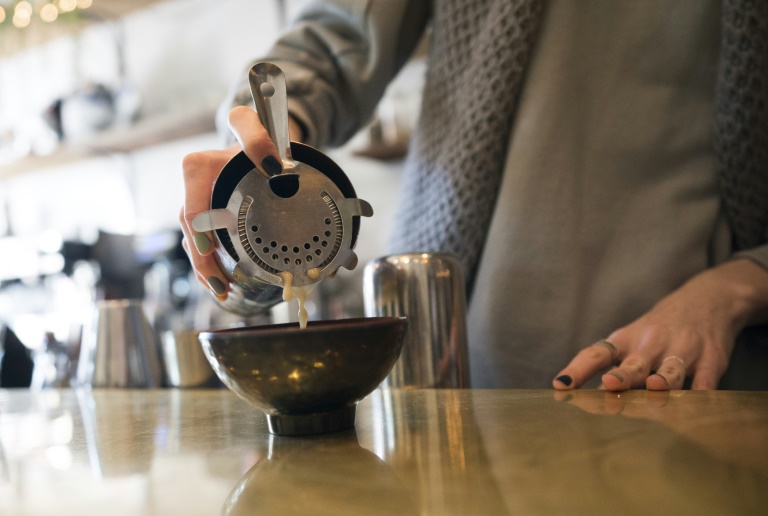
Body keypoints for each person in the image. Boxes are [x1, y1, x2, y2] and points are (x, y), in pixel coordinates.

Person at [180, 0, 768, 391]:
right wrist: (264, 139)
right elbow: (337, 40)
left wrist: (737, 288)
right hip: (445, 356)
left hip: (680, 371)